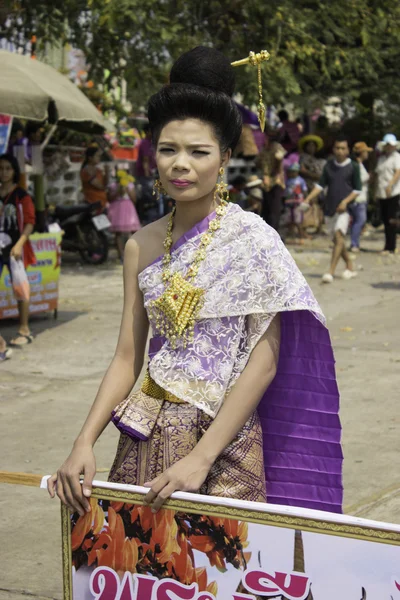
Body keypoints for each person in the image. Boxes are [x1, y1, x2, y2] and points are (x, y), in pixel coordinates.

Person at [48, 46, 343, 519]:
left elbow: (263, 363)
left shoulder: (253, 239)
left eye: (198, 152)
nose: (179, 164)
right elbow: (127, 357)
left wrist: (201, 458)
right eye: (168, 150)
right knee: (143, 572)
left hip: (224, 445)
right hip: (144, 432)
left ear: (224, 158)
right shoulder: (139, 245)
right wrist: (83, 441)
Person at [305, 135, 361, 283]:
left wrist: (345, 202)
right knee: (338, 240)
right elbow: (320, 186)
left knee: (338, 236)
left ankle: (330, 271)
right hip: (330, 208)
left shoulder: (354, 167)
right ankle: (349, 264)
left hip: (345, 209)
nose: (340, 151)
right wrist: (308, 198)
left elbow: (358, 190)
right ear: (333, 149)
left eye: (343, 148)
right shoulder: (329, 166)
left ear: (348, 150)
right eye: (337, 148)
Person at [0, 153, 36, 346]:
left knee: (20, 288)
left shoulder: (21, 195)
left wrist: (19, 244)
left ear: (14, 171)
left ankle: (24, 329)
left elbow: (30, 222)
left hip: (16, 249)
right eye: (1, 168)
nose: (4, 172)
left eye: (8, 168)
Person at [108, 170, 141, 262]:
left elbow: (134, 199)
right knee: (118, 233)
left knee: (132, 231)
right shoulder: (113, 185)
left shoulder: (130, 185)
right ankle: (121, 254)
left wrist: (128, 191)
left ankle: (132, 253)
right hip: (118, 209)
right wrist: (118, 191)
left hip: (128, 208)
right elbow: (110, 198)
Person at [375, 133, 400, 254]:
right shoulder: (381, 158)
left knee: (391, 220)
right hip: (382, 193)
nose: (389, 147)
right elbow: (378, 175)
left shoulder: (396, 157)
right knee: (385, 219)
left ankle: (391, 246)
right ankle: (387, 245)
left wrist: (390, 184)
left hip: (393, 192)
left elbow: (397, 172)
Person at [256, 137, 285, 232]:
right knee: (266, 209)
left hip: (276, 182)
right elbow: (258, 164)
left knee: (274, 210)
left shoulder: (277, 148)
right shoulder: (263, 151)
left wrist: (279, 160)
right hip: (265, 182)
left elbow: (279, 169)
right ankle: (266, 232)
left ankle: (274, 233)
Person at [299, 134, 326, 234]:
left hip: (316, 185)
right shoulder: (303, 158)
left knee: (318, 205)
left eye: (313, 145)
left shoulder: (315, 159)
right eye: (309, 145)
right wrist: (316, 176)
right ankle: (306, 226)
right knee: (308, 205)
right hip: (307, 185)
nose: (311, 148)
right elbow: (302, 171)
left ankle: (318, 226)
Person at [349, 142, 373, 252]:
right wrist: (370, 178)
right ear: (361, 153)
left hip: (362, 196)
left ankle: (356, 243)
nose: (367, 154)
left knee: (358, 221)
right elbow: (357, 181)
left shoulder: (359, 164)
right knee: (360, 220)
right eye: (366, 151)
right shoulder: (356, 165)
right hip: (359, 198)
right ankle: (354, 244)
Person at [136, 123, 157, 221]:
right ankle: (145, 216)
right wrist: (147, 175)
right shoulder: (145, 143)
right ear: (148, 131)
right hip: (145, 174)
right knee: (148, 194)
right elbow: (145, 161)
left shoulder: (152, 142)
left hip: (152, 173)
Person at [283, 163, 309, 240]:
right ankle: (292, 237)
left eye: (293, 171)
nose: (291, 173)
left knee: (298, 221)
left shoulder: (301, 180)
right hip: (289, 202)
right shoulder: (287, 181)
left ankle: (301, 237)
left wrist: (306, 199)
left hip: (297, 202)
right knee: (290, 220)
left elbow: (304, 190)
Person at [80, 146, 109, 211]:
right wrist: (107, 173)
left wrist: (107, 173)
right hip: (93, 204)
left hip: (101, 204)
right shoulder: (87, 171)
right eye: (97, 156)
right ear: (90, 158)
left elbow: (105, 185)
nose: (99, 158)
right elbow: (101, 187)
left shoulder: (98, 170)